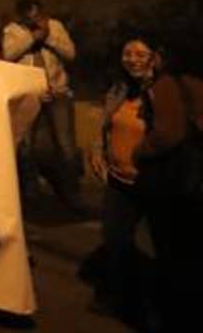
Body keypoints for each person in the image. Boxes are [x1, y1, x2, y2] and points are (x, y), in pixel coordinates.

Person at [87, 37, 202, 330]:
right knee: (116, 241)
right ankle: (120, 295)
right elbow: (106, 123)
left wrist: (139, 154)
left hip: (153, 183)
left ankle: (165, 311)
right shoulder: (120, 88)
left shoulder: (167, 87)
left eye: (141, 53)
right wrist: (99, 151)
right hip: (119, 180)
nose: (132, 59)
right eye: (127, 53)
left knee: (168, 250)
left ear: (156, 56)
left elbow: (168, 133)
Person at [3, 0, 82, 212]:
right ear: (21, 16)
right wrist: (32, 38)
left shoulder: (55, 26)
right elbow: (7, 55)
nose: (35, 19)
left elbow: (71, 53)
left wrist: (48, 38)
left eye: (37, 14)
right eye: (29, 15)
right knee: (25, 145)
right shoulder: (11, 31)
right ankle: (31, 192)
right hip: (28, 95)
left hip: (58, 92)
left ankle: (71, 192)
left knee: (66, 146)